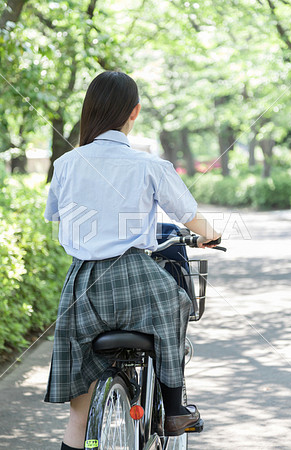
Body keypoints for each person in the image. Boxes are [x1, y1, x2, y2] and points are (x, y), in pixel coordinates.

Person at [44, 71, 221, 450]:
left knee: (80, 411)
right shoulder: (148, 165)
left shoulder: (65, 165)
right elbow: (189, 215)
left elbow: (58, 216)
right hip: (135, 277)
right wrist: (212, 235)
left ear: (88, 112)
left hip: (82, 287)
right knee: (177, 304)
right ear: (134, 112)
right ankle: (174, 409)